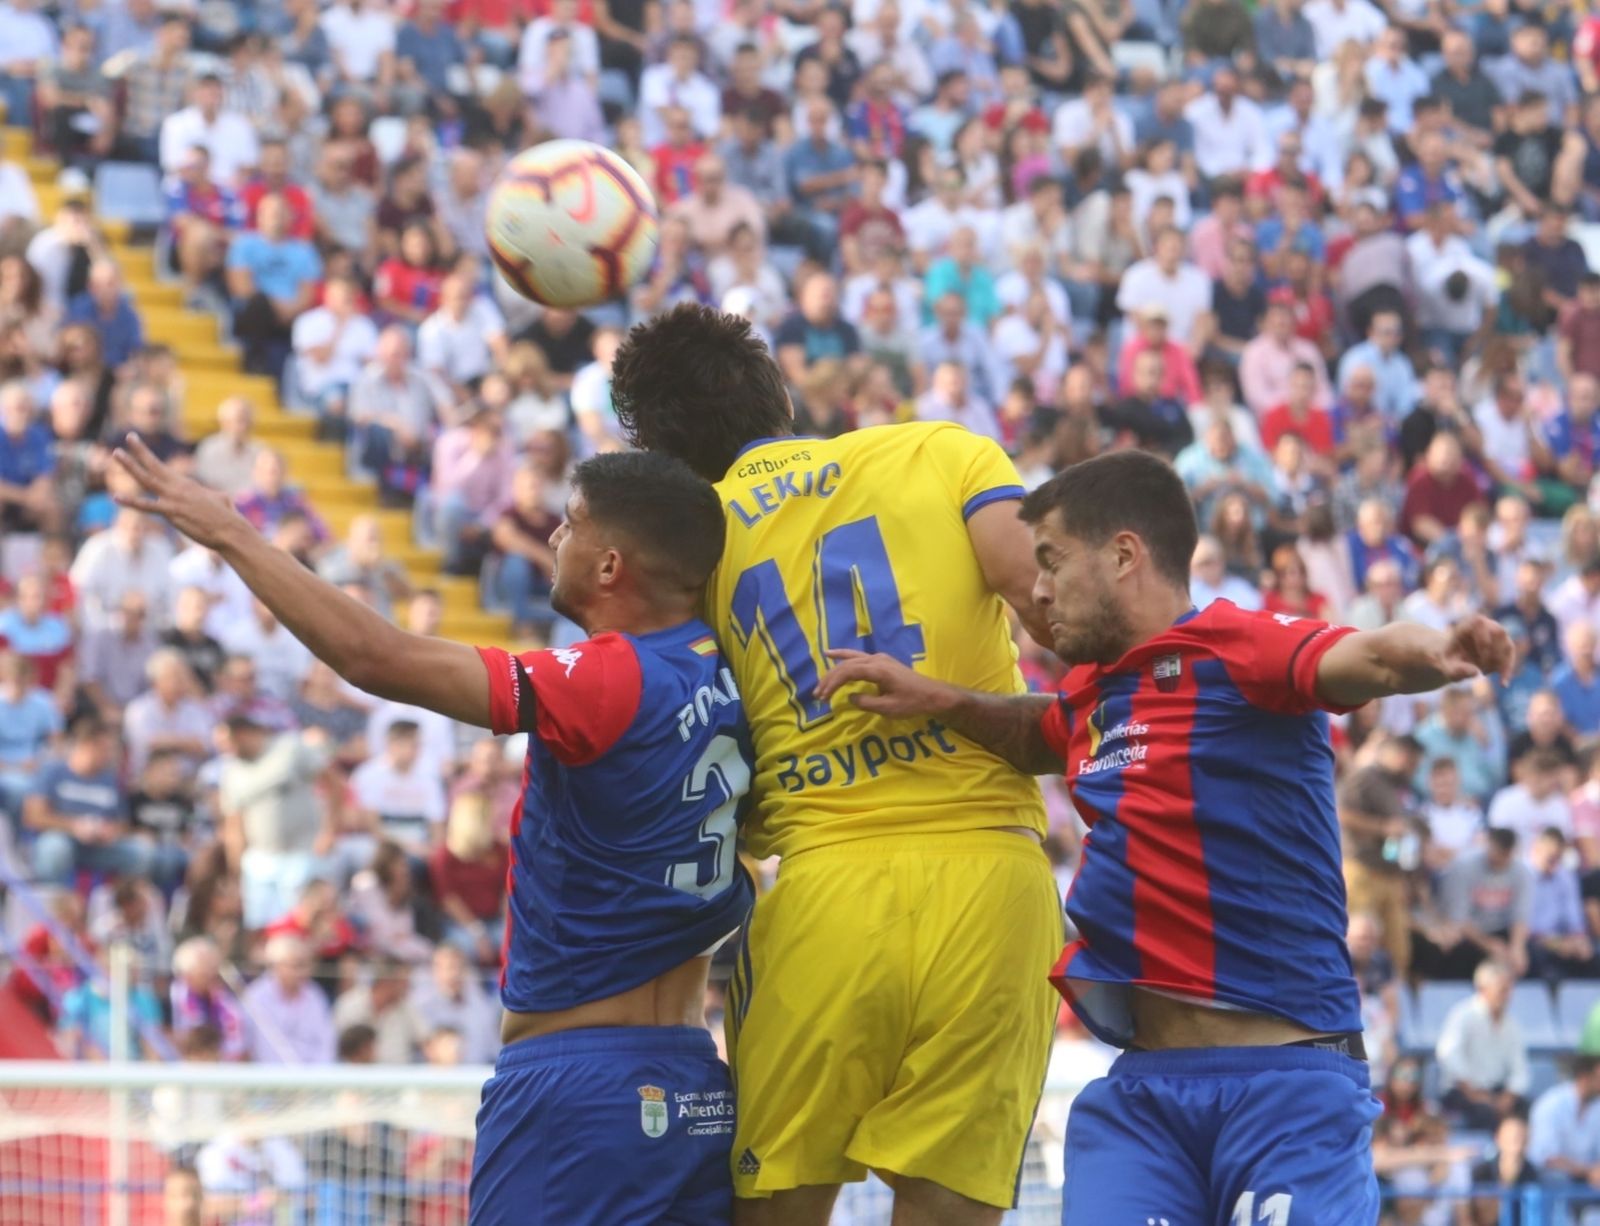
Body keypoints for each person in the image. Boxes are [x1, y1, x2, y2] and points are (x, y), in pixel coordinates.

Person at [814, 449, 1514, 1223]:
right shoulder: (1093, 695)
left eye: (1051, 561)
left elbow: (1367, 656)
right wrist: (939, 699)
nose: (1036, 591)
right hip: (1144, 1100)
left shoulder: (1235, 646)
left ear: (1124, 555)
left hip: (1285, 1089)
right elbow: (1037, 731)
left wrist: (1437, 650)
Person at [109, 437, 750, 1224]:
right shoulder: (729, 672)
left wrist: (232, 534)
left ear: (612, 565)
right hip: (692, 1080)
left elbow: (376, 657)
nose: (555, 535)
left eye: (573, 521)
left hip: (580, 1089)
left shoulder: (612, 676)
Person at [611, 304, 1062, 1224]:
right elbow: (1053, 600)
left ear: (662, 455)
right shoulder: (943, 451)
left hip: (825, 896)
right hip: (996, 893)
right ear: (779, 396)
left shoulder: (691, 547)